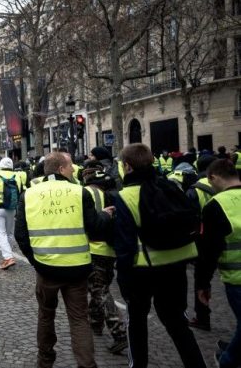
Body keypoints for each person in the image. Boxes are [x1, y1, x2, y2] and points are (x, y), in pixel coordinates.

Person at [15, 152, 113, 368]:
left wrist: (35, 261)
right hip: (77, 269)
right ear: (61, 169)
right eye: (70, 166)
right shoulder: (80, 192)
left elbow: (20, 235)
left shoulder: (29, 195)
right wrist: (105, 215)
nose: (74, 169)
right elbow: (95, 229)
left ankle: (45, 360)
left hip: (46, 268)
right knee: (79, 319)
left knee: (46, 316)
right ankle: (86, 364)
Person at [114, 143, 206, 368]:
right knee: (177, 324)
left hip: (143, 268)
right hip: (177, 264)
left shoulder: (125, 196)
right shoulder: (170, 186)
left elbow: (125, 245)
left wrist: (123, 279)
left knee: (136, 324)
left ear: (127, 166)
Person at [195, 159, 241, 366]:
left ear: (213, 177)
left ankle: (227, 360)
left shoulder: (215, 205)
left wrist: (203, 284)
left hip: (236, 279)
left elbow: (208, 252)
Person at [81, 161, 128, 354]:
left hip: (93, 249)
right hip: (109, 250)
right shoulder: (111, 194)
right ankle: (95, 322)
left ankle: (119, 333)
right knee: (98, 288)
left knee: (100, 291)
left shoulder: (84, 194)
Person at [186, 154, 218, 331]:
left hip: (203, 241)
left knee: (202, 280)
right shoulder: (225, 186)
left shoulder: (194, 190)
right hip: (228, 238)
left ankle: (202, 315)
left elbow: (188, 218)